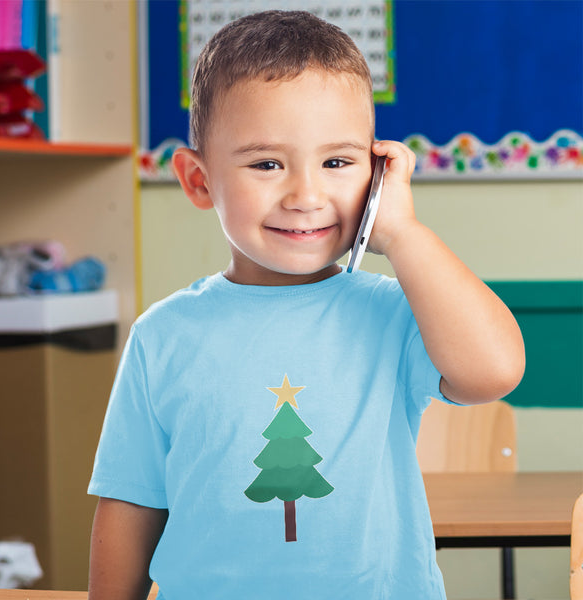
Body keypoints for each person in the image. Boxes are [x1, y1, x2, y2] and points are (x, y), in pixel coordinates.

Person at [88, 10, 525, 600]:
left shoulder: (395, 311)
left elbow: (493, 372)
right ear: (199, 181)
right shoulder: (163, 334)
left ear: (375, 174)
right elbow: (132, 502)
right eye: (266, 164)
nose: (306, 196)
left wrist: (401, 234)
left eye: (338, 163)